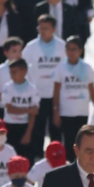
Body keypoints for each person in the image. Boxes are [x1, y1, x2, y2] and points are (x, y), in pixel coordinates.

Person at [22, 15, 65, 160]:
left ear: (53, 29)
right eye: (40, 28)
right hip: (38, 95)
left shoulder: (62, 46)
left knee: (56, 129)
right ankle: (37, 158)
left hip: (56, 96)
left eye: (46, 28)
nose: (43, 31)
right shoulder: (31, 47)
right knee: (37, 130)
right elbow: (23, 70)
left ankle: (57, 158)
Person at [2, 58, 40, 161]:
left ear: (24, 72)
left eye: (14, 72)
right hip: (10, 125)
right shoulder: (7, 87)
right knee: (10, 158)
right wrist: (28, 110)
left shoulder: (32, 89)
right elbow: (10, 109)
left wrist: (28, 133)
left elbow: (34, 113)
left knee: (26, 158)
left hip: (25, 126)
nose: (12, 75)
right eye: (10, 72)